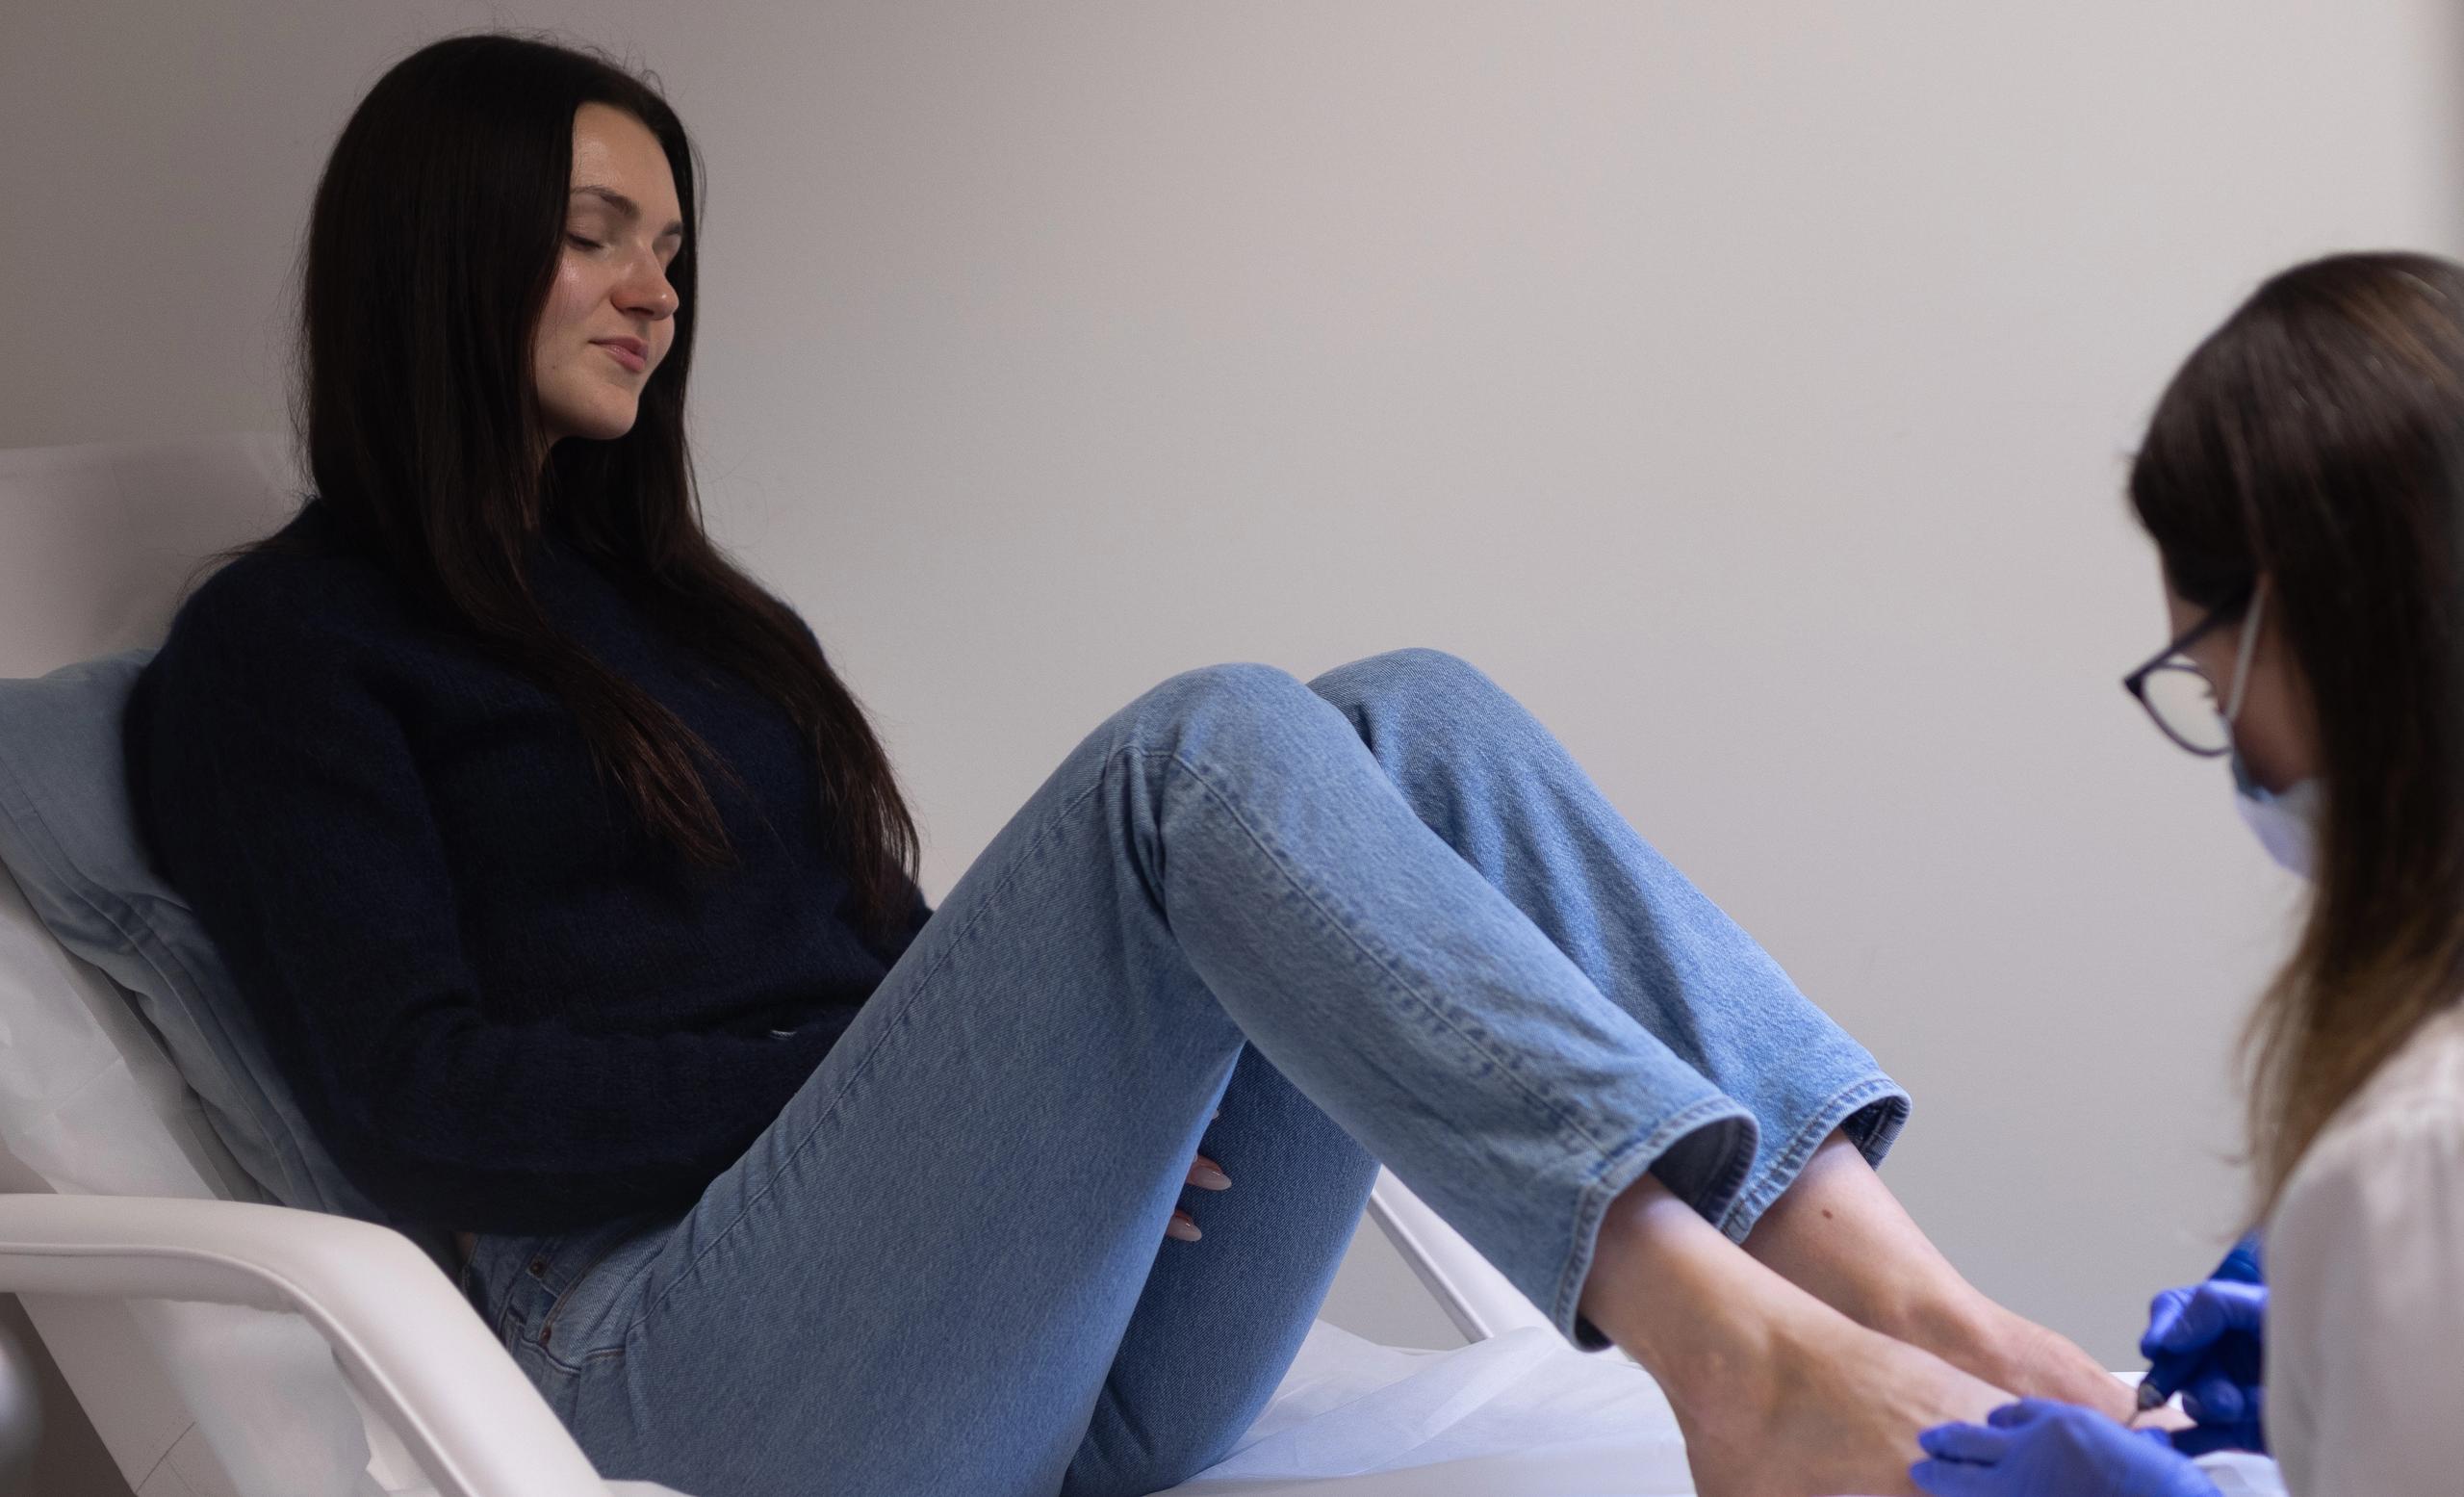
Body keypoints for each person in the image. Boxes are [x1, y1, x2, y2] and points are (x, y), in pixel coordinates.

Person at [126, 30, 2127, 1497]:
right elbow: (422, 1105)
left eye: (669, 245)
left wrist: (1039, 1138)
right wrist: (873, 1097)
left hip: (1032, 1372)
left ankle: (1914, 1308)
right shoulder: (282, 652)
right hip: (671, 1370)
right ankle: (1728, 1354)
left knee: (1409, 711)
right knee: (1200, 749)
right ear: (439, 257)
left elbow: (900, 984)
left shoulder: (694, 620)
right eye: (592, 237)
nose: (657, 289)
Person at [1910, 252, 2464, 1497]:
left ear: (2318, 635)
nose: (2242, 760)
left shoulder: (2424, 1154)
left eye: (2217, 695)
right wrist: (2347, 1383)